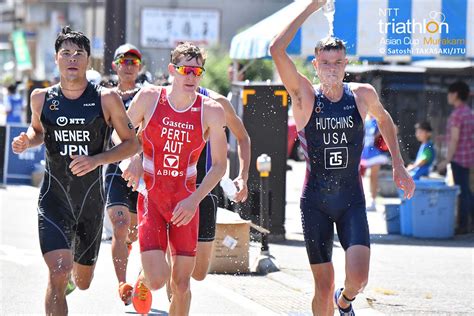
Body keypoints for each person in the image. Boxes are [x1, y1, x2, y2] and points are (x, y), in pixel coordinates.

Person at [269, 1, 415, 315]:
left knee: (359, 278)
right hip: (316, 202)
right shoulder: (305, 96)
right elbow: (276, 49)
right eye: (325, 63)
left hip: (352, 200)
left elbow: (385, 119)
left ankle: (345, 300)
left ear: (346, 63)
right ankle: (331, 301)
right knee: (322, 287)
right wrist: (312, 6)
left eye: (337, 63)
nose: (332, 69)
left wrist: (399, 164)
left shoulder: (362, 95)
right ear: (315, 65)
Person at [10, 26, 139, 315]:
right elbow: (38, 131)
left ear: (88, 61)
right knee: (58, 270)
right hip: (54, 201)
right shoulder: (41, 98)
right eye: (65, 53)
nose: (72, 58)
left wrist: (97, 160)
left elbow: (133, 144)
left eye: (78, 53)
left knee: (82, 282)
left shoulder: (106, 99)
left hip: (90, 205)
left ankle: (68, 277)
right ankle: (59, 277)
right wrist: (27, 140)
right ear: (56, 59)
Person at [120, 42, 227, 315]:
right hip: (152, 199)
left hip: (186, 204)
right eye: (185, 70)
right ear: (172, 70)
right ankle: (145, 278)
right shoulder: (149, 97)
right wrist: (132, 158)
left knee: (181, 284)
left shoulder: (211, 110)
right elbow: (118, 136)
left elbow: (218, 166)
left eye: (196, 71)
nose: (191, 76)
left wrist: (194, 201)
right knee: (158, 280)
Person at [103, 43, 144, 305]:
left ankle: (130, 247)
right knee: (119, 226)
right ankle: (122, 283)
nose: (128, 65)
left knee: (134, 233)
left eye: (134, 61)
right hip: (116, 170)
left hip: (142, 172)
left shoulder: (149, 95)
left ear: (139, 67)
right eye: (124, 60)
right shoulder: (104, 96)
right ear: (115, 65)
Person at [438, 81, 473, 234]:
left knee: (463, 192)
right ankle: (467, 224)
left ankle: (464, 225)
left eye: (449, 93)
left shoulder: (457, 114)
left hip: (458, 158)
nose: (448, 96)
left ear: (455, 94)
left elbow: (455, 139)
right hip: (469, 157)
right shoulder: (469, 112)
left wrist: (446, 160)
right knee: (466, 190)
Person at [360, 115, 390, 211]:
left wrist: (379, 133)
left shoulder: (378, 118)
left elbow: (391, 128)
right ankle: (360, 201)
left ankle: (372, 201)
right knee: (359, 178)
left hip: (375, 152)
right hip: (363, 151)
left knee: (373, 177)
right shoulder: (363, 118)